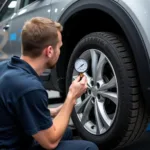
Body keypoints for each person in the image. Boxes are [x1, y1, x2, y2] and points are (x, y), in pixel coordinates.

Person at [0, 17, 99, 150]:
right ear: (49, 51)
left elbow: (17, 106)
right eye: (59, 47)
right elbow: (50, 142)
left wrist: (53, 112)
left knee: (66, 132)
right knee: (89, 148)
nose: (60, 52)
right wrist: (71, 97)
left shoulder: (6, 67)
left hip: (8, 137)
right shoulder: (29, 87)